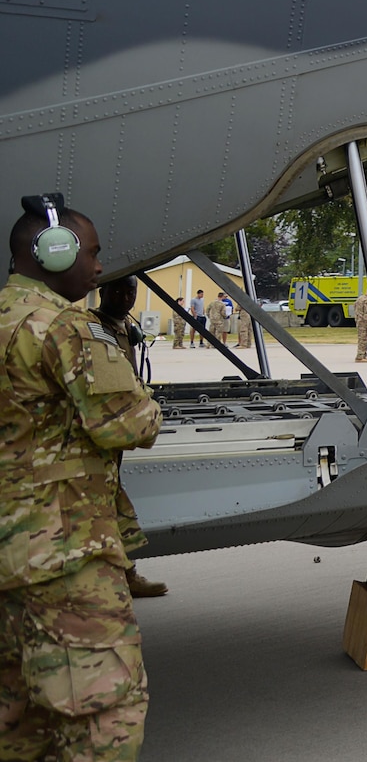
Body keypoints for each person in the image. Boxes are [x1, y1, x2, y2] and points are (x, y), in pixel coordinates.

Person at [0, 196, 163, 759]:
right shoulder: (64, 326)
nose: (98, 268)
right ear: (52, 252)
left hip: (10, 559)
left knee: (20, 717)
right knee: (106, 714)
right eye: (90, 254)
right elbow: (131, 425)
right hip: (64, 554)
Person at [92, 278, 168, 600]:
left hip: (118, 435)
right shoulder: (94, 328)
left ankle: (124, 573)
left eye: (131, 292)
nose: (125, 297)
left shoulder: (125, 328)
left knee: (112, 502)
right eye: (118, 291)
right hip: (102, 431)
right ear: (101, 293)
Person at [352, 286, 367, 363]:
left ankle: (362, 356)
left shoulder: (359, 299)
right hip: (364, 323)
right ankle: (360, 356)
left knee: (361, 338)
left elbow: (355, 309)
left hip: (359, 321)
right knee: (364, 339)